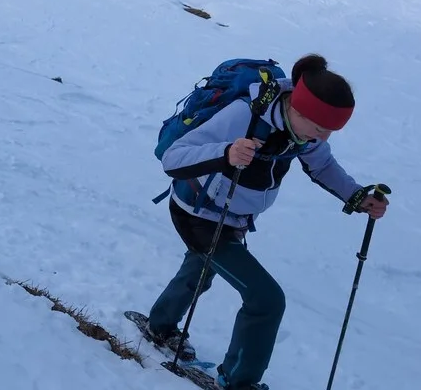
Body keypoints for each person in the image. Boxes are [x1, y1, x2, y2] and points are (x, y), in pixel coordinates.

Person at [145, 54, 388, 390]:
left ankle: (159, 325)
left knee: (201, 269)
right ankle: (238, 381)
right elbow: (173, 158)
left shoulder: (303, 132)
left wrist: (358, 196)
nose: (324, 137)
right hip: (197, 213)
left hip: (234, 216)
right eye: (320, 128)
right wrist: (226, 152)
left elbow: (323, 166)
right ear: (297, 109)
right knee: (266, 300)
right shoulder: (244, 115)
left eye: (330, 130)